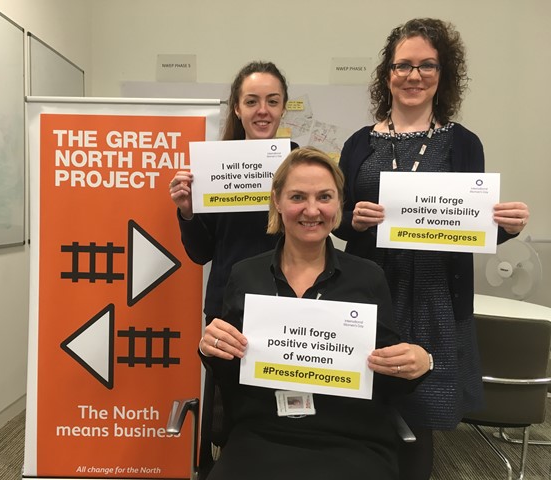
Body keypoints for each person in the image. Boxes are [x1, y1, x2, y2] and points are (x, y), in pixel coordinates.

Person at [335, 18, 530, 480]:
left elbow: (470, 224)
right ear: (387, 74)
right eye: (403, 65)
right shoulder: (358, 143)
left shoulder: (464, 144)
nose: (414, 75)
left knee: (422, 417)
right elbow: (335, 218)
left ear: (442, 75)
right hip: (369, 293)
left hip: (435, 298)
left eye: (427, 65)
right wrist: (352, 219)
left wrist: (506, 228)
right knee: (358, 403)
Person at [198, 147, 431, 480]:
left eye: (324, 196)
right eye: (297, 197)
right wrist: (210, 348)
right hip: (263, 435)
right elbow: (230, 375)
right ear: (277, 201)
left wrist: (420, 363)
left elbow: (387, 379)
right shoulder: (246, 275)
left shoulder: (367, 277)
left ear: (338, 204)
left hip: (352, 439)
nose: (311, 210)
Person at [168, 60, 297, 324]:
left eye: (272, 102)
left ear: (283, 108)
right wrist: (188, 211)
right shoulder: (215, 166)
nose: (263, 111)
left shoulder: (301, 164)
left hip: (287, 302)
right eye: (251, 102)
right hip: (227, 306)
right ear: (237, 109)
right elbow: (199, 254)